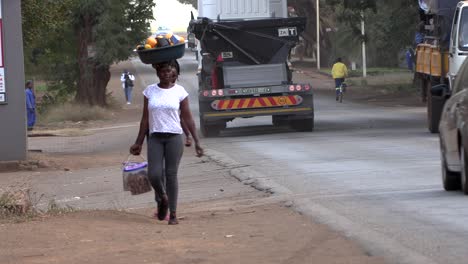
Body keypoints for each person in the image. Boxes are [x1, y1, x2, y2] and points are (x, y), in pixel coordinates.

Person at [129, 61, 203, 225]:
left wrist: (196, 140)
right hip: (155, 137)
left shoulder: (180, 92)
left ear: (174, 73)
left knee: (171, 175)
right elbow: (145, 119)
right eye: (163, 71)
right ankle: (163, 197)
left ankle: (174, 214)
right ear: (158, 73)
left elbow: (188, 118)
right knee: (154, 174)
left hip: (174, 138)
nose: (166, 74)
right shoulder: (150, 91)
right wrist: (138, 142)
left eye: (169, 71)